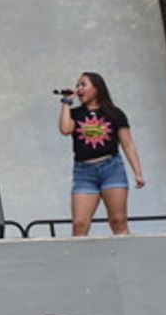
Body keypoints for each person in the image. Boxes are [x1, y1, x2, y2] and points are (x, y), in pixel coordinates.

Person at [58, 72, 146, 236]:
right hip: (84, 172)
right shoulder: (76, 113)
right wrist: (66, 102)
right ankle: (79, 260)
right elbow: (65, 129)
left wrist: (138, 172)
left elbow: (128, 144)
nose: (79, 89)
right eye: (78, 86)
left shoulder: (115, 113)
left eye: (83, 84)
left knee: (118, 220)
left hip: (111, 168)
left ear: (97, 88)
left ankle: (125, 258)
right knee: (79, 223)